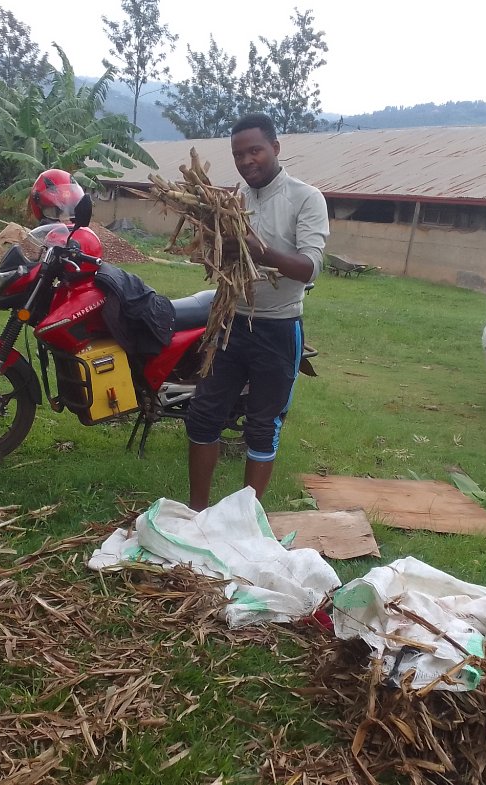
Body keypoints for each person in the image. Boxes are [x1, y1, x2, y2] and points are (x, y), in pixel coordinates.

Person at [184, 112, 330, 511]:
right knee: (202, 416)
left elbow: (309, 267)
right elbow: (223, 258)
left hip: (278, 329)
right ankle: (197, 512)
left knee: (262, 427)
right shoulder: (233, 201)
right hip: (230, 323)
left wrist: (255, 248)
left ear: (275, 148)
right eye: (238, 154)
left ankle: (247, 520)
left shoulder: (306, 198)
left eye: (255, 151)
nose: (247, 160)